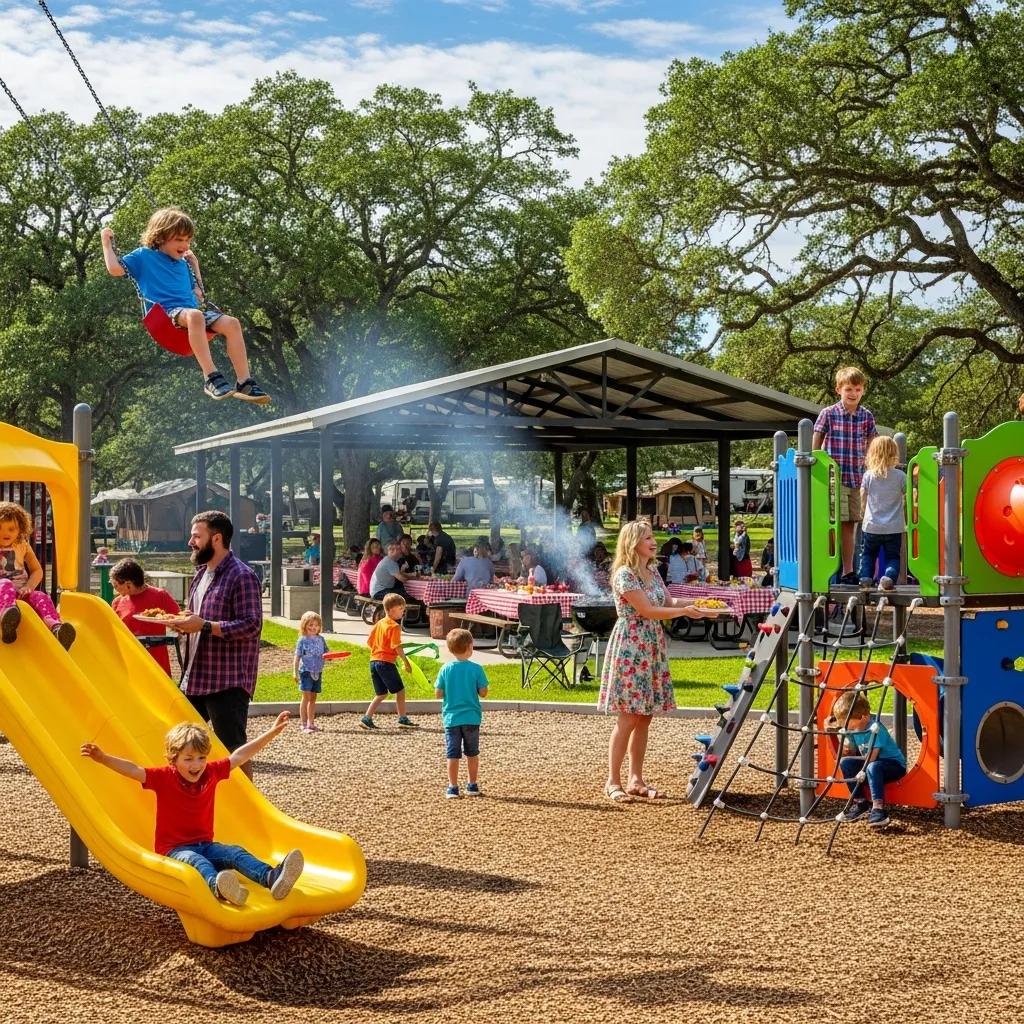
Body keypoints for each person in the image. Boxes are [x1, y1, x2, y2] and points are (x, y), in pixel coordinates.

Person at [80, 714, 304, 904]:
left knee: (234, 852)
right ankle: (219, 887)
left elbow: (240, 755)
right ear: (173, 759)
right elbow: (133, 770)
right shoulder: (164, 777)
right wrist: (102, 758)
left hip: (205, 844)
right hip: (174, 850)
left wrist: (271, 733)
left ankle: (271, 877)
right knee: (199, 863)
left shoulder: (211, 773)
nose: (196, 765)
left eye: (201, 758)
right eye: (188, 759)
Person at [598, 520, 718, 802]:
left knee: (645, 716)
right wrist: (684, 611)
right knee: (628, 716)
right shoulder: (625, 575)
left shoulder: (651, 571)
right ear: (633, 543)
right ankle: (612, 781)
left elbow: (667, 602)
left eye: (652, 537)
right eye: (648, 538)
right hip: (632, 646)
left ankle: (635, 779)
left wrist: (697, 607)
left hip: (650, 645)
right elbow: (648, 610)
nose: (654, 542)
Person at [101, 210, 270, 404]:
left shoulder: (183, 265)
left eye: (188, 240)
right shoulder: (143, 256)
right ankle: (211, 377)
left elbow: (198, 293)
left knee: (232, 323)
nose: (185, 245)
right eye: (179, 240)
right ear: (160, 236)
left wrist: (194, 264)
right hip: (165, 315)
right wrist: (106, 243)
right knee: (196, 316)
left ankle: (245, 382)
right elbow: (115, 269)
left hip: (191, 313)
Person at [166, 511, 262, 779]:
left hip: (227, 681)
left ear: (216, 538)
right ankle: (191, 801)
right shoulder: (201, 574)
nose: (190, 542)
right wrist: (184, 623)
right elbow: (197, 619)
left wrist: (205, 625)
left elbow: (252, 625)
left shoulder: (241, 576)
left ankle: (248, 811)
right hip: (196, 677)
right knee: (177, 740)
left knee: (232, 749)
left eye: (197, 536)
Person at [813, 366, 877, 584]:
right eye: (848, 388)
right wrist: (817, 465)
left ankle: (848, 570)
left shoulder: (866, 416)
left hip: (857, 478)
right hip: (834, 479)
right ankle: (829, 568)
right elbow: (817, 444)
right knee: (832, 523)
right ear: (838, 389)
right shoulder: (829, 414)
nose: (853, 393)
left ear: (863, 391)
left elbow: (872, 443)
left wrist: (872, 466)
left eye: (857, 389)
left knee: (851, 524)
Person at [825, 689, 906, 828]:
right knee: (846, 763)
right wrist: (843, 747)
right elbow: (849, 748)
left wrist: (861, 772)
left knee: (872, 766)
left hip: (893, 767)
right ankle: (861, 803)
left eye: (850, 725)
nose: (849, 729)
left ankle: (878, 809)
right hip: (870, 766)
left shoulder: (875, 728)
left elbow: (872, 758)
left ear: (864, 718)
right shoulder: (854, 728)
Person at [0, 501, 75, 650]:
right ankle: (7, 619)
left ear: (20, 529)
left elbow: (37, 570)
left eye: (11, 528)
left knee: (40, 596)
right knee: (5, 583)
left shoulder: (22, 545)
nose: (5, 533)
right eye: (0, 528)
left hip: (20, 592)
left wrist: (29, 587)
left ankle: (56, 629)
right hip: (1, 592)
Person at [435, 628, 488, 798]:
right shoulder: (476, 669)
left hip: (451, 718)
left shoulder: (445, 669)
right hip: (471, 717)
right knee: (472, 753)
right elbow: (483, 692)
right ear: (470, 647)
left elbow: (438, 694)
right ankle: (472, 785)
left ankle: (452, 787)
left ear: (450, 649)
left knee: (453, 754)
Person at [110, 557, 181, 675]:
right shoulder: (117, 602)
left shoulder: (160, 596)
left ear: (129, 585)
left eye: (116, 585)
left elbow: (180, 621)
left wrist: (174, 626)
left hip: (156, 664)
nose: (115, 589)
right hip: (128, 664)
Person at [359, 593, 418, 730]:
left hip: (374, 661)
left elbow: (370, 642)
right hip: (385, 662)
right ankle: (402, 718)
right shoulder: (394, 627)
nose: (403, 612)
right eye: (401, 609)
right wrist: (405, 662)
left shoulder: (379, 623)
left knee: (381, 694)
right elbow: (396, 646)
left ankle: (366, 718)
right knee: (400, 691)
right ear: (392, 610)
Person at [859, 435, 907, 591]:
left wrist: (862, 510)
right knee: (893, 557)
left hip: (871, 525)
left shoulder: (869, 475)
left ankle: (866, 578)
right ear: (894, 454)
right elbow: (910, 492)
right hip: (894, 526)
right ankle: (888, 578)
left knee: (868, 554)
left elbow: (863, 495)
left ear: (872, 453)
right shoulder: (900, 476)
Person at [293, 611, 328, 733]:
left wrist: (329, 656)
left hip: (317, 671)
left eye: (316, 625)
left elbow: (326, 654)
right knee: (306, 698)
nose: (313, 627)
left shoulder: (321, 639)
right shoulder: (302, 640)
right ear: (304, 626)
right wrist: (295, 672)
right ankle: (303, 723)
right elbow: (297, 657)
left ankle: (311, 723)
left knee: (313, 698)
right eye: (310, 625)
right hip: (305, 672)